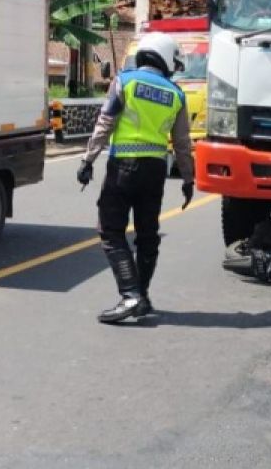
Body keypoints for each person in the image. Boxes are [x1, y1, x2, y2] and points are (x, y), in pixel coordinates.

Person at [76, 32, 196, 324]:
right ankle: (141, 296)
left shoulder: (125, 81)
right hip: (155, 171)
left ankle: (130, 295)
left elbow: (105, 123)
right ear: (166, 59)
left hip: (123, 167)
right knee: (147, 236)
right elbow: (182, 144)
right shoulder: (176, 94)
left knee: (111, 231)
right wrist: (188, 180)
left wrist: (88, 159)